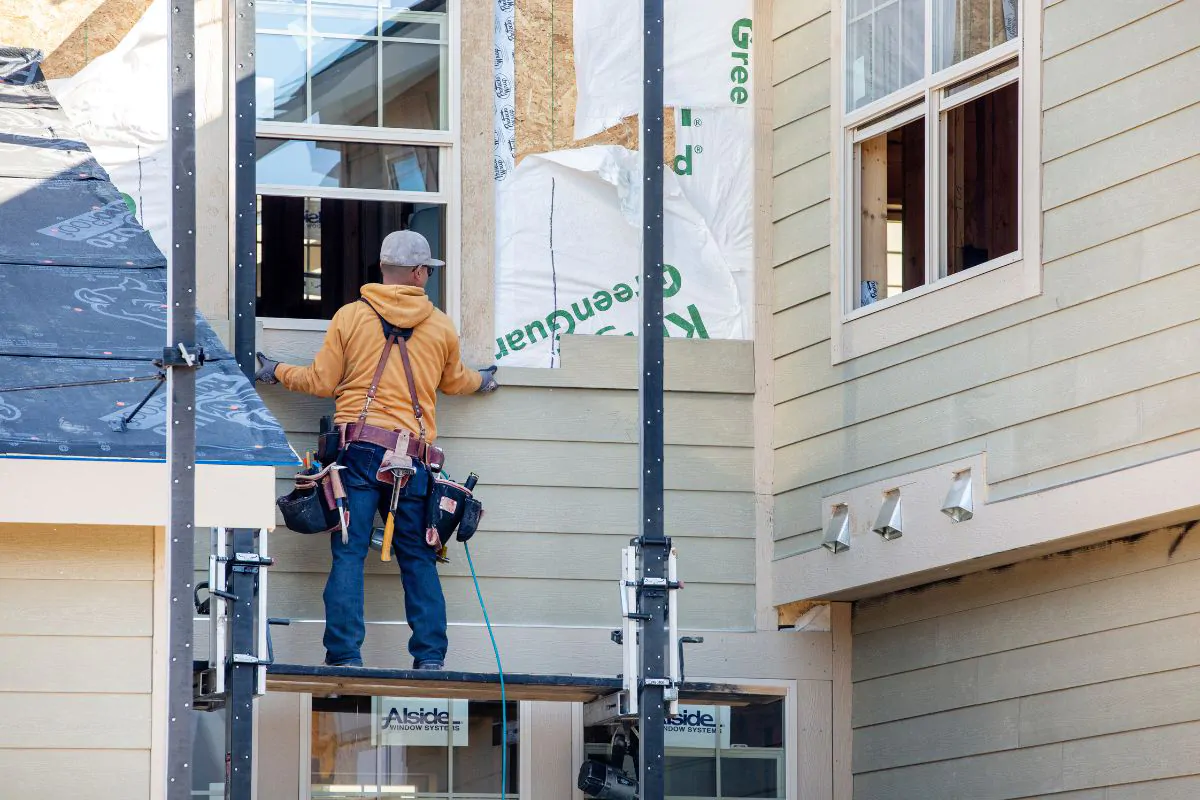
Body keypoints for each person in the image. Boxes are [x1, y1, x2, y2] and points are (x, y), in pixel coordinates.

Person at [255, 230, 498, 670]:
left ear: (383, 269)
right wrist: (485, 380)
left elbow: (321, 382)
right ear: (421, 272)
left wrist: (274, 371)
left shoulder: (350, 317)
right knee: (418, 555)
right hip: (414, 460)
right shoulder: (440, 324)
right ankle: (429, 659)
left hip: (359, 452)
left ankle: (345, 656)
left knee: (349, 552)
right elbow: (456, 381)